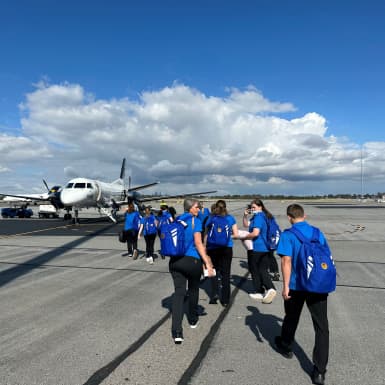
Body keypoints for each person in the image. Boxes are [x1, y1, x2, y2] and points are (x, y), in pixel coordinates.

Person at [275, 203, 330, 385]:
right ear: (304, 215)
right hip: (317, 285)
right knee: (321, 327)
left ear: (289, 217)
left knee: (291, 317)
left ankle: (286, 345)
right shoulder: (317, 232)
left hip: (297, 285)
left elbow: (286, 261)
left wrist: (285, 287)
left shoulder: (288, 234)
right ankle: (320, 371)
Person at [169, 198, 215, 344]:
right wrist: (207, 261)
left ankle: (177, 331)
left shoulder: (176, 220)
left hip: (175, 261)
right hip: (192, 260)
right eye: (197, 207)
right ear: (190, 208)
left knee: (179, 294)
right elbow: (198, 243)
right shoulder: (195, 221)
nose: (199, 209)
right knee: (194, 289)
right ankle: (193, 319)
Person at [239, 199, 277, 304]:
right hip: (265, 247)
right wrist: (245, 215)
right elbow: (246, 225)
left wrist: (244, 236)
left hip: (257, 247)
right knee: (262, 269)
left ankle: (264, 290)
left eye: (254, 207)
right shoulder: (261, 216)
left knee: (255, 269)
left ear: (260, 207)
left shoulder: (259, 217)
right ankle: (267, 289)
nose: (252, 209)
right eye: (251, 207)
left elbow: (255, 233)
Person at [205, 199, 238, 307]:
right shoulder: (230, 218)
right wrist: (227, 237)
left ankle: (214, 295)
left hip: (213, 248)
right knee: (226, 274)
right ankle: (225, 300)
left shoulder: (211, 218)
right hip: (226, 248)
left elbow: (206, 232)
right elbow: (236, 234)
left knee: (213, 272)